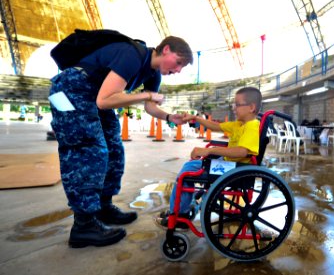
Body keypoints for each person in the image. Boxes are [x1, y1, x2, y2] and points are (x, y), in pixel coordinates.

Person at [49, 35, 193, 248]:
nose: (178, 70)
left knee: (114, 149)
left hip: (92, 94)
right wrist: (145, 96)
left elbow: (150, 106)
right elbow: (105, 100)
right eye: (179, 62)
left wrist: (170, 118)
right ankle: (84, 224)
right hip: (67, 90)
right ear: (166, 50)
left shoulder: (153, 74)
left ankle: (103, 208)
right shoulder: (132, 54)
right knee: (86, 149)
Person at [156, 87, 262, 228]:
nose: (234, 108)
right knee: (190, 167)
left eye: (237, 104)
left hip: (235, 170)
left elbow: (242, 152)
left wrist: (210, 151)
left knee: (187, 173)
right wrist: (195, 118)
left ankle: (180, 214)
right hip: (230, 166)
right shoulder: (239, 124)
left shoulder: (251, 126)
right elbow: (215, 126)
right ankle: (180, 210)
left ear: (251, 107)